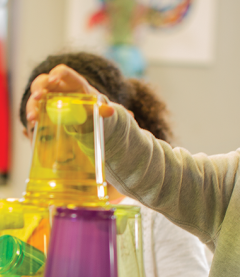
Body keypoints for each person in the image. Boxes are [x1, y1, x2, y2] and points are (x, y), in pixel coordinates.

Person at [20, 52, 211, 276]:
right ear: (28, 137)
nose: (62, 153)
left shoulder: (157, 216)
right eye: (46, 136)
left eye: (77, 132)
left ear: (119, 128)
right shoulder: (35, 220)